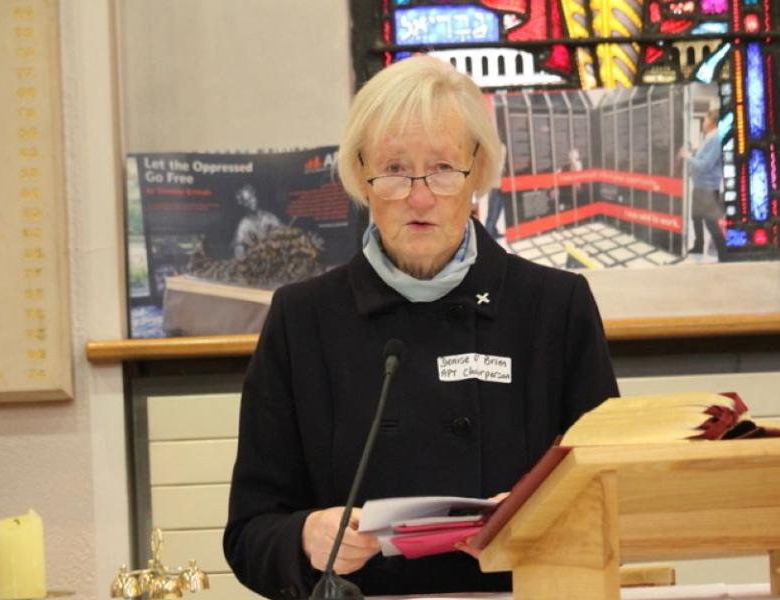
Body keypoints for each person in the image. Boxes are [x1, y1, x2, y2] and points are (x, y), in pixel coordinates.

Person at [223, 54, 618, 599]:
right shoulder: (302, 320)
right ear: (362, 176)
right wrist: (305, 537)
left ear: (477, 170)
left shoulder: (555, 308)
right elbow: (249, 533)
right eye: (394, 170)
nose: (420, 196)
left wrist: (537, 519)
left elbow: (606, 496)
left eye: (442, 168)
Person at [679, 108, 726, 260]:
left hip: (707, 188)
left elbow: (705, 164)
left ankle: (724, 254)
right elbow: (703, 157)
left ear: (712, 122)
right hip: (700, 187)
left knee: (711, 222)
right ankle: (698, 246)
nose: (703, 123)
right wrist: (693, 154)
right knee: (696, 216)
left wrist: (688, 157)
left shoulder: (716, 139)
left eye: (705, 120)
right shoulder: (709, 138)